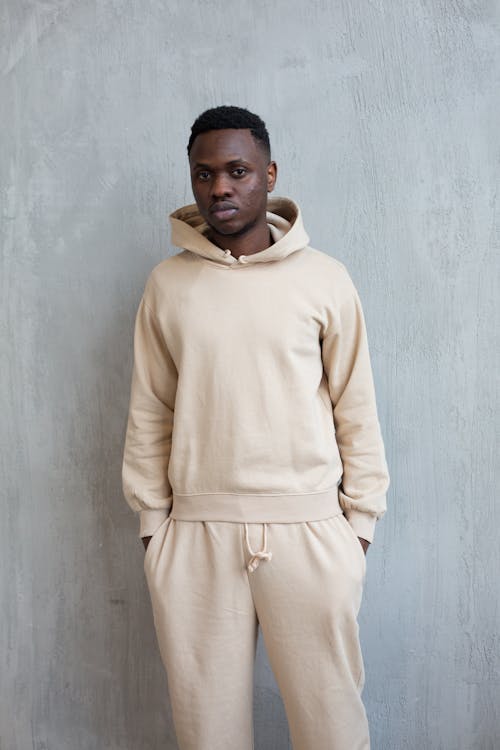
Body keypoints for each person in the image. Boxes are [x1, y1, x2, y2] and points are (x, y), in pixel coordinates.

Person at [121, 105, 390, 750]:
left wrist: (359, 526)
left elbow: (355, 404)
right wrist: (154, 527)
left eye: (237, 171)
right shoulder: (168, 285)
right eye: (204, 174)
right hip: (197, 532)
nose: (220, 188)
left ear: (269, 175)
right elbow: (151, 408)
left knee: (331, 726)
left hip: (310, 531)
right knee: (205, 730)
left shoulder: (325, 279)